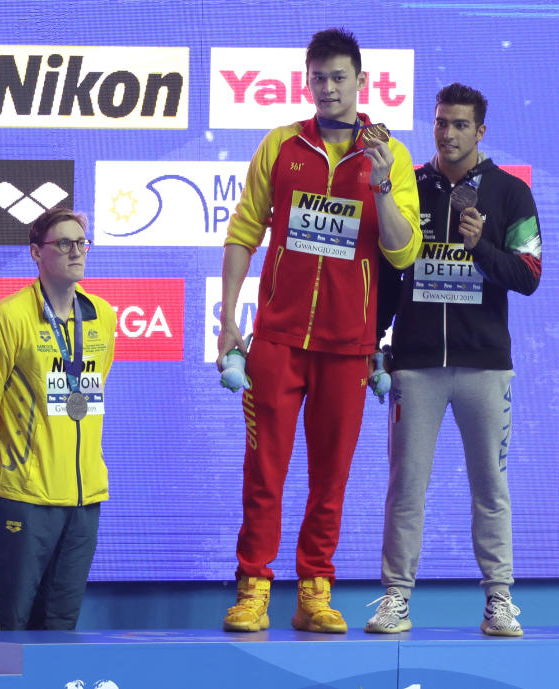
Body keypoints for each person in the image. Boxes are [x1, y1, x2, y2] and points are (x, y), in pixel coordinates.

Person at [216, 28, 422, 634]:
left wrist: (381, 183)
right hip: (277, 341)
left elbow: (403, 252)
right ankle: (253, 586)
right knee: (264, 471)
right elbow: (243, 232)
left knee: (330, 477)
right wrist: (228, 318)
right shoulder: (280, 145)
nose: (328, 88)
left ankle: (315, 591)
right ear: (307, 81)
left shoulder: (392, 155)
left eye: (339, 78)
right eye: (319, 78)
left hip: (348, 346)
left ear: (362, 82)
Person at [365, 83, 542, 636]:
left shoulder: (511, 193)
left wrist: (481, 248)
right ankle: (396, 597)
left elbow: (530, 276)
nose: (448, 133)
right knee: (406, 484)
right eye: (442, 122)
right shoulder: (410, 187)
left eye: (461, 124)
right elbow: (390, 274)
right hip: (415, 364)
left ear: (481, 130)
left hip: (485, 366)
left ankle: (498, 600)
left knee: (490, 485)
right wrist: (375, 340)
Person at [0, 206, 117, 630]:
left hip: (84, 500)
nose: (76, 251)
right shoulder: (6, 319)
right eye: (63, 243)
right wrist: (5, 473)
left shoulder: (103, 317)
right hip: (25, 498)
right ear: (36, 253)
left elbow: (90, 393)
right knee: (8, 623)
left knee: (61, 624)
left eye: (81, 243)